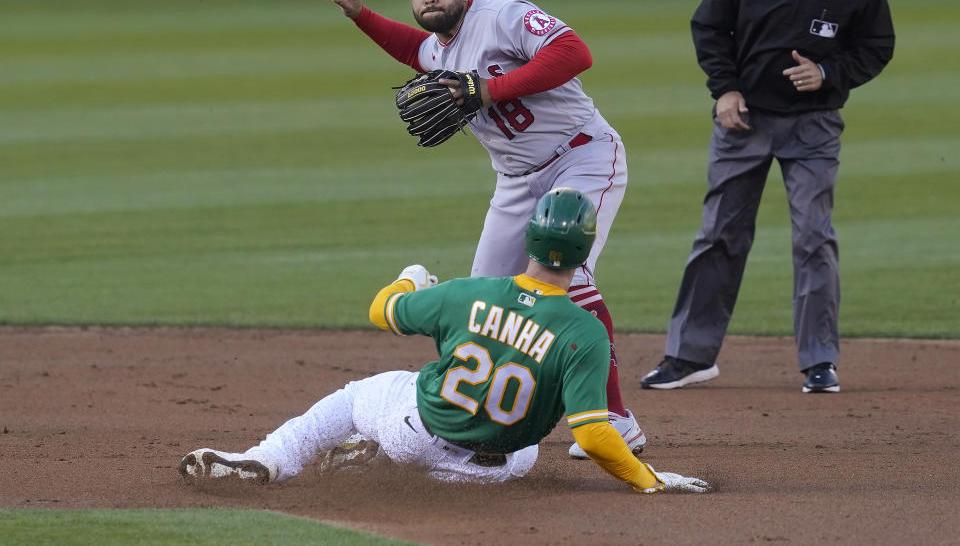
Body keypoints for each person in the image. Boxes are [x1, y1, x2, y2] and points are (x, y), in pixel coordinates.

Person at [323, 0, 642, 457]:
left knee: (570, 275)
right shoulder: (436, 48)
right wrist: (360, 14)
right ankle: (473, 424)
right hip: (515, 182)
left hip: (580, 156)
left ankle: (615, 418)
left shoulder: (504, 16)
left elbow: (575, 52)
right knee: (483, 303)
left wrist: (488, 90)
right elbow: (414, 50)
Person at [179, 188, 709, 494]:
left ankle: (268, 459)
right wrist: (650, 481)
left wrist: (412, 277)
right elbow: (593, 436)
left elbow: (381, 310)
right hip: (496, 471)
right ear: (584, 251)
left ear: (528, 239)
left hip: (414, 432)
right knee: (523, 438)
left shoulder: (466, 294)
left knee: (367, 390)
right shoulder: (586, 332)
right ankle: (375, 465)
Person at [640, 0, 894, 393]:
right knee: (719, 234)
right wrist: (725, 89)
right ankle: (690, 355)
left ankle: (819, 361)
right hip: (744, 118)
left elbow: (878, 44)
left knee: (813, 237)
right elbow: (710, 26)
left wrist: (830, 73)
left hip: (814, 125)